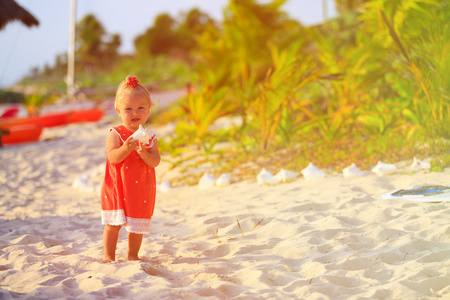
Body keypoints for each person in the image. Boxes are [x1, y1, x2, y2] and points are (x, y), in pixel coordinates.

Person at [101, 74, 160, 262]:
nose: (135, 112)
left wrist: (144, 154)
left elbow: (155, 161)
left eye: (141, 108)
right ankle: (109, 256)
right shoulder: (116, 133)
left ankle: (133, 255)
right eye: (128, 109)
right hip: (118, 186)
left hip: (140, 188)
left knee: (137, 225)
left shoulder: (149, 136)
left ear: (149, 109)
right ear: (118, 110)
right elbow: (112, 158)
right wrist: (126, 148)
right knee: (113, 224)